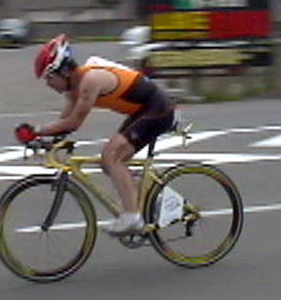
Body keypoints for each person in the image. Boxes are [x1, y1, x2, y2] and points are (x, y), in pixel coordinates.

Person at [15, 34, 177, 235]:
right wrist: (43, 140)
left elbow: (74, 122)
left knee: (111, 156)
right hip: (143, 111)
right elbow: (63, 125)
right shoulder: (73, 90)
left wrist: (37, 130)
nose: (48, 84)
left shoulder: (90, 80)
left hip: (159, 108)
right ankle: (157, 200)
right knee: (109, 163)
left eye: (49, 77)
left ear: (63, 70)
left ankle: (132, 217)